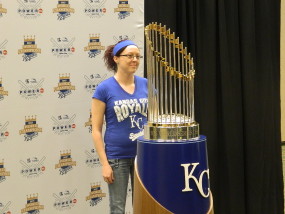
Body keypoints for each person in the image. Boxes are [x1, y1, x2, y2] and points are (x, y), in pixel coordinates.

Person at [91, 40, 148, 214]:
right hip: (117, 158)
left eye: (138, 56)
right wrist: (104, 164)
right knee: (117, 208)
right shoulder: (104, 89)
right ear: (116, 59)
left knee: (142, 206)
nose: (135, 60)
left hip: (144, 156)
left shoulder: (147, 85)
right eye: (129, 56)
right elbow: (96, 130)